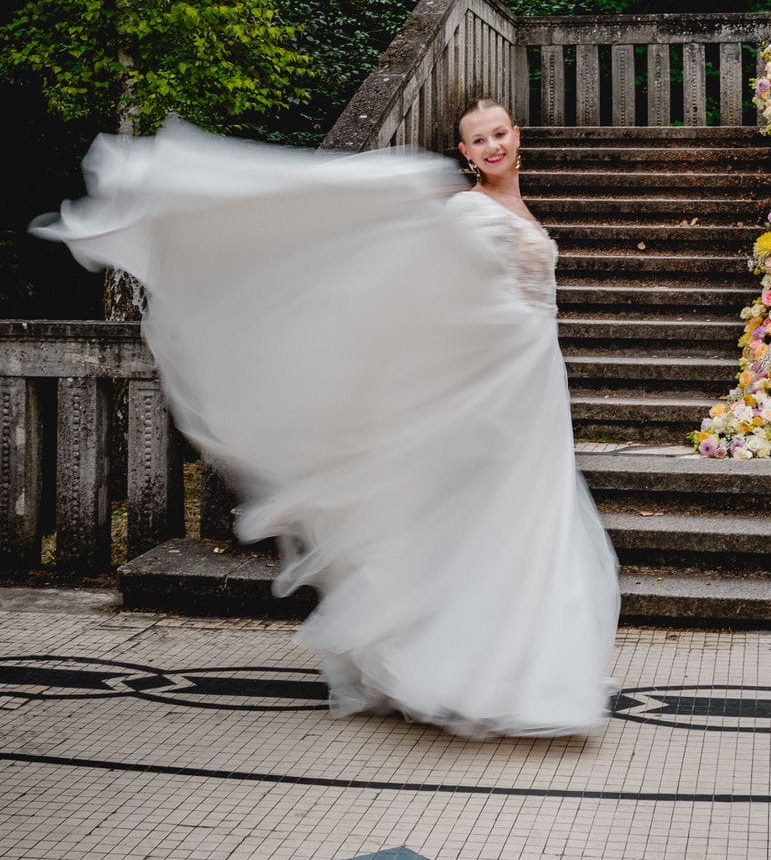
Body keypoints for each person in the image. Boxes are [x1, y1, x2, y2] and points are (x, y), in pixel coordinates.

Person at [33, 103, 620, 739]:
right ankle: (473, 668)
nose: (493, 145)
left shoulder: (518, 208)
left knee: (536, 516)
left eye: (500, 133)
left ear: (516, 136)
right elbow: (441, 301)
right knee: (494, 515)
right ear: (466, 152)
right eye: (479, 139)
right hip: (497, 385)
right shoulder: (464, 210)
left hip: (537, 382)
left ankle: (528, 668)